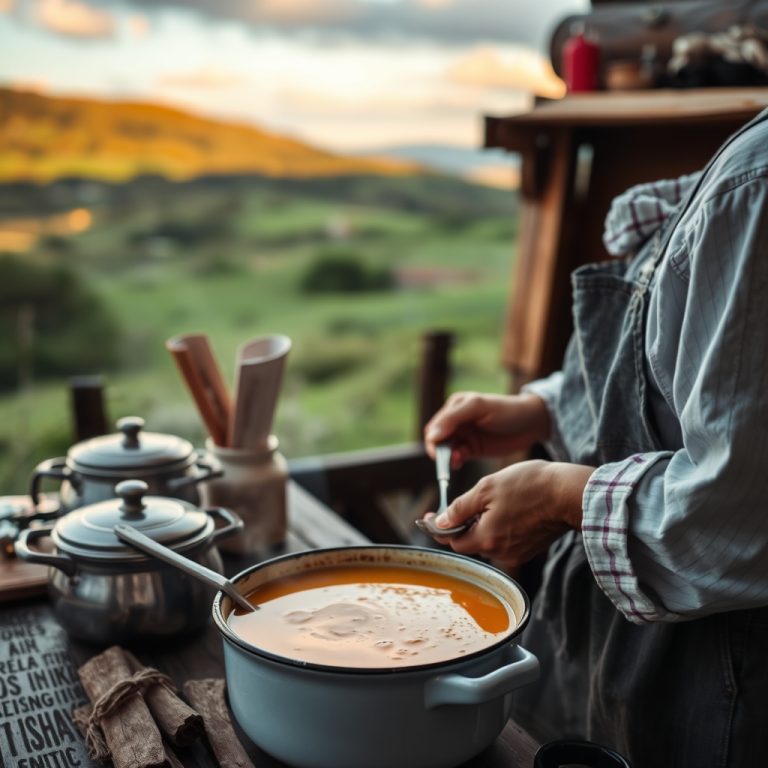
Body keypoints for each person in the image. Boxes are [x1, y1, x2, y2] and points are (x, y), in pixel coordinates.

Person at [421, 107, 768, 768]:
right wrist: (542, 409)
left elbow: (742, 511)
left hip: (722, 688)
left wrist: (563, 499)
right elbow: (693, 381)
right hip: (623, 652)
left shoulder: (758, 182)